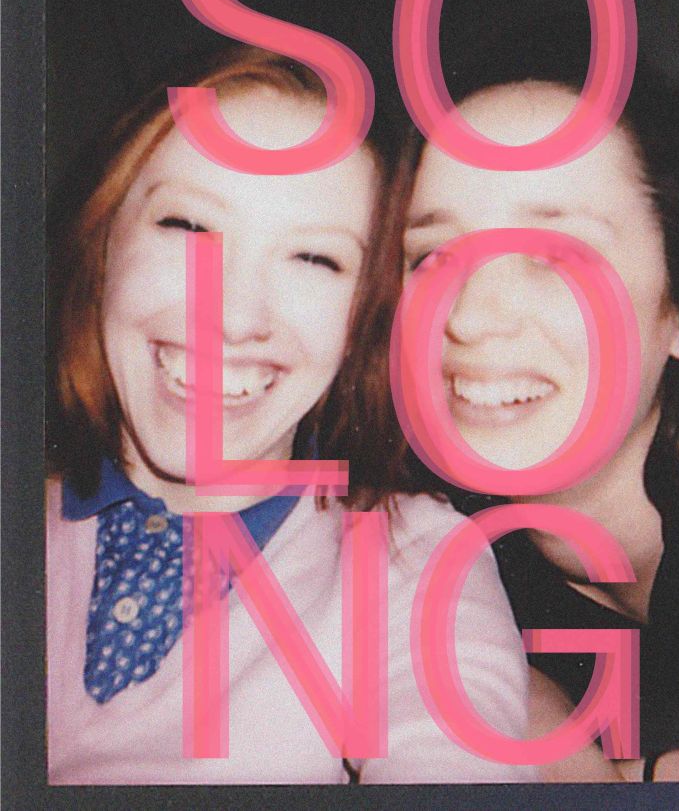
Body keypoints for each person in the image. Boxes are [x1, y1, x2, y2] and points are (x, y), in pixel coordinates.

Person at [46, 44, 539, 785]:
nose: (234, 316)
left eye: (315, 259)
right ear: (103, 240)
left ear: (364, 318)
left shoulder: (412, 562)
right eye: (188, 224)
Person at [398, 20, 679, 781]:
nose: (467, 317)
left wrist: (636, 777)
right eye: (432, 255)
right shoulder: (419, 547)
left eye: (553, 254)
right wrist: (529, 701)